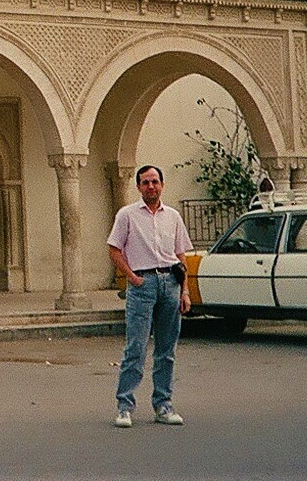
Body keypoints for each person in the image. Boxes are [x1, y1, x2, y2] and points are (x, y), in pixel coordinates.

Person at [107, 164, 193, 428]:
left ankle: (163, 404)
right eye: (145, 182)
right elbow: (113, 248)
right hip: (143, 284)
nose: (151, 186)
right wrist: (132, 277)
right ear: (138, 187)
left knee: (166, 349)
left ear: (162, 185)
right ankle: (124, 405)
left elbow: (181, 256)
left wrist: (185, 291)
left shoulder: (173, 217)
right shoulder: (128, 215)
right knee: (136, 347)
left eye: (155, 181)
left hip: (170, 282)